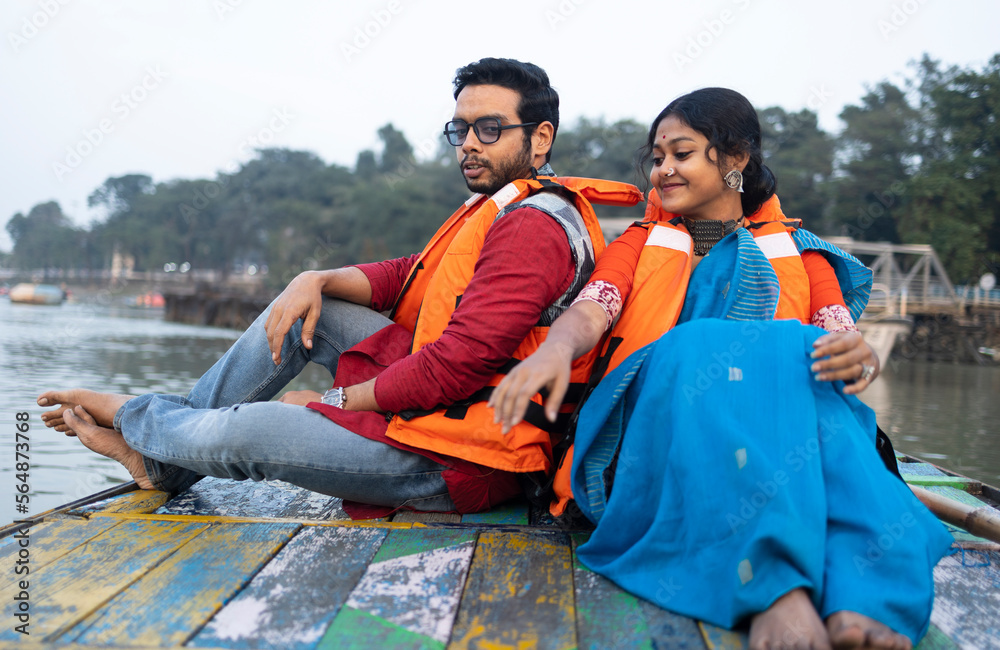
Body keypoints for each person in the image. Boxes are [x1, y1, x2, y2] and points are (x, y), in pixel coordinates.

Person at [37, 57, 642, 518]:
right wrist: (314, 277)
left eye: (490, 129)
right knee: (311, 307)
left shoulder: (533, 228)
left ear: (539, 139)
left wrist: (337, 403)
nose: (471, 145)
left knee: (257, 430)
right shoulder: (503, 209)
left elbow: (458, 366)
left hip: (464, 458)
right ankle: (166, 455)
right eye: (460, 130)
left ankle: (138, 418)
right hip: (437, 410)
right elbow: (411, 274)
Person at [489, 88, 952, 650]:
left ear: (735, 160)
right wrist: (556, 349)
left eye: (681, 153)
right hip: (664, 436)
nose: (662, 170)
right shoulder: (637, 244)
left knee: (811, 370)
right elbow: (592, 309)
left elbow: (844, 341)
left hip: (789, 436)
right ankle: (773, 592)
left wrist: (860, 354)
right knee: (703, 344)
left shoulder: (801, 252)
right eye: (656, 158)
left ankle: (864, 595)